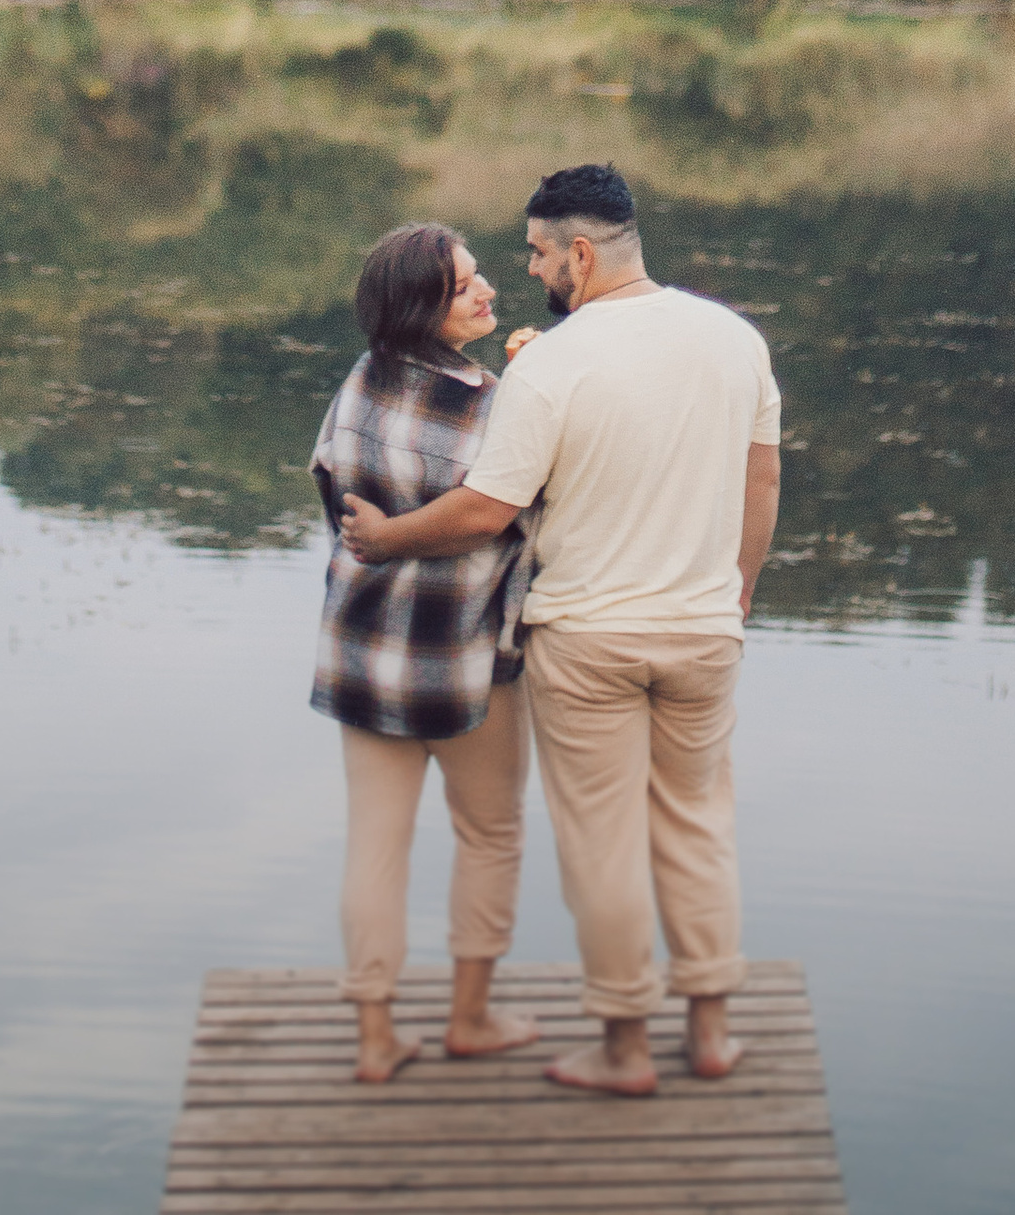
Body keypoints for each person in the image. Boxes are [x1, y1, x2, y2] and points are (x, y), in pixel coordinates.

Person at [340, 160, 781, 1098]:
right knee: (699, 826)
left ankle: (624, 1048)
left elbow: (483, 511)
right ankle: (707, 1032)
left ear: (579, 253)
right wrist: (736, 589)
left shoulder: (554, 364)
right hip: (706, 632)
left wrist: (383, 539)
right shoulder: (735, 339)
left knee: (605, 845)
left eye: (539, 254)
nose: (530, 272)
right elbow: (762, 479)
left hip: (587, 641)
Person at [309, 220, 543, 1083]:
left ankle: (374, 1036)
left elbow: (335, 505)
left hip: (364, 650)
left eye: (481, 274)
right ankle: (470, 1019)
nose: (487, 290)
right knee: (490, 834)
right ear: (422, 308)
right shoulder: (498, 404)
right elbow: (520, 514)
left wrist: (389, 540)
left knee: (375, 842)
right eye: (464, 286)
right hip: (469, 659)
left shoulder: (357, 387)